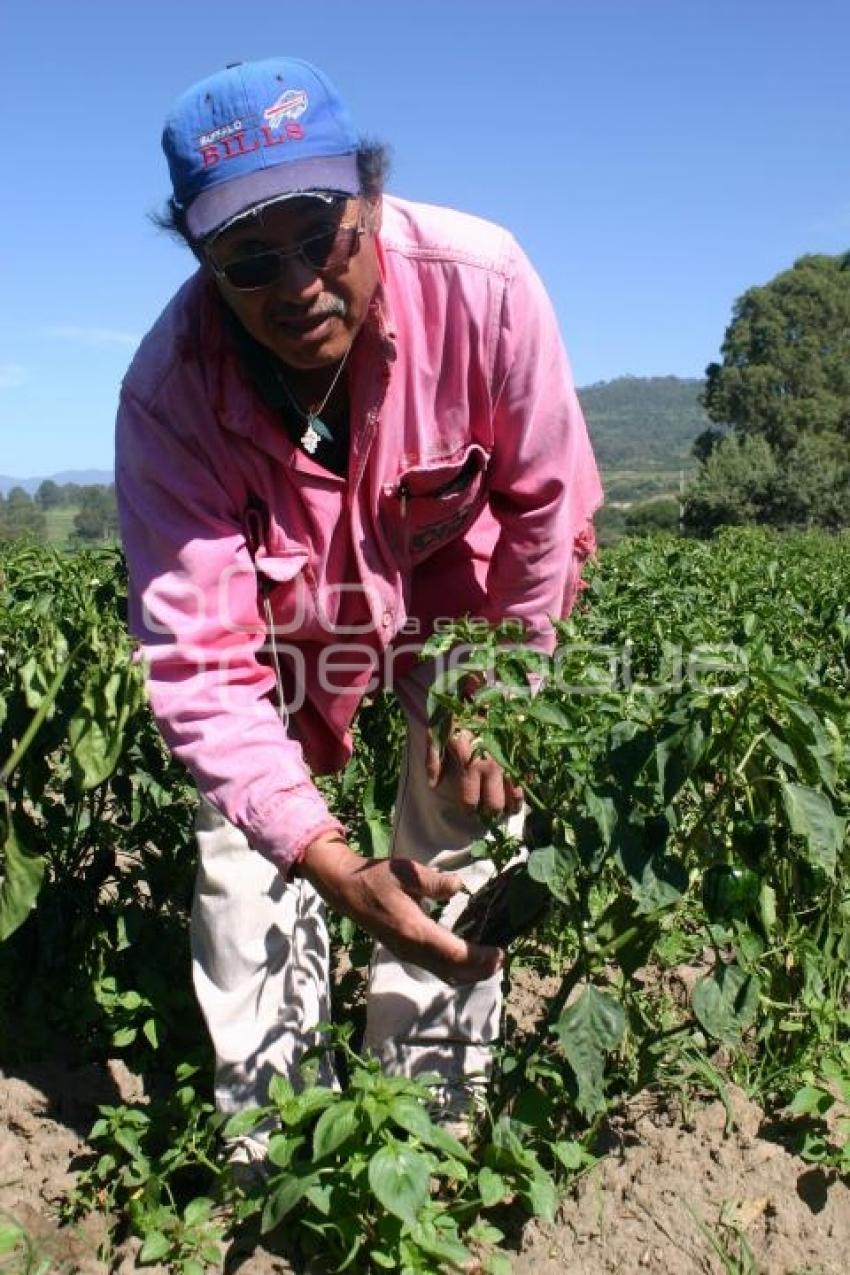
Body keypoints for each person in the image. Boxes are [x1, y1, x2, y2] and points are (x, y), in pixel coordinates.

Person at [115, 57, 602, 1154]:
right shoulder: (171, 392)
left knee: (463, 815)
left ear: (370, 201)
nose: (296, 284)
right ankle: (275, 1146)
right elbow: (201, 663)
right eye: (249, 260)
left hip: (462, 596)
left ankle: (421, 1128)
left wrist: (497, 697)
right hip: (290, 626)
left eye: (321, 235)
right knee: (250, 850)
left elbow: (540, 505)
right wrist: (325, 857)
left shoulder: (483, 284)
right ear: (203, 262)